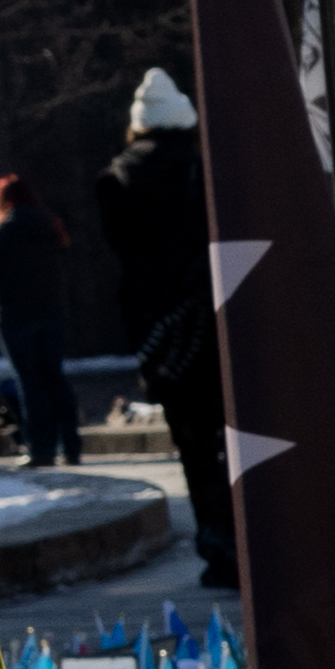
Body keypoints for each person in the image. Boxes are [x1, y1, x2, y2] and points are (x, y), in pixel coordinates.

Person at [96, 69, 229, 588]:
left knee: (193, 444)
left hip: (159, 331)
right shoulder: (204, 172)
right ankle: (252, 540)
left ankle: (217, 545)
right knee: (233, 433)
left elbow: (123, 251)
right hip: (212, 313)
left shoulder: (114, 181)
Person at [0, 169, 88, 465]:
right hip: (51, 311)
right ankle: (71, 446)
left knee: (29, 382)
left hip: (13, 314)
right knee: (55, 378)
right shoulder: (51, 226)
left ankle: (40, 449)